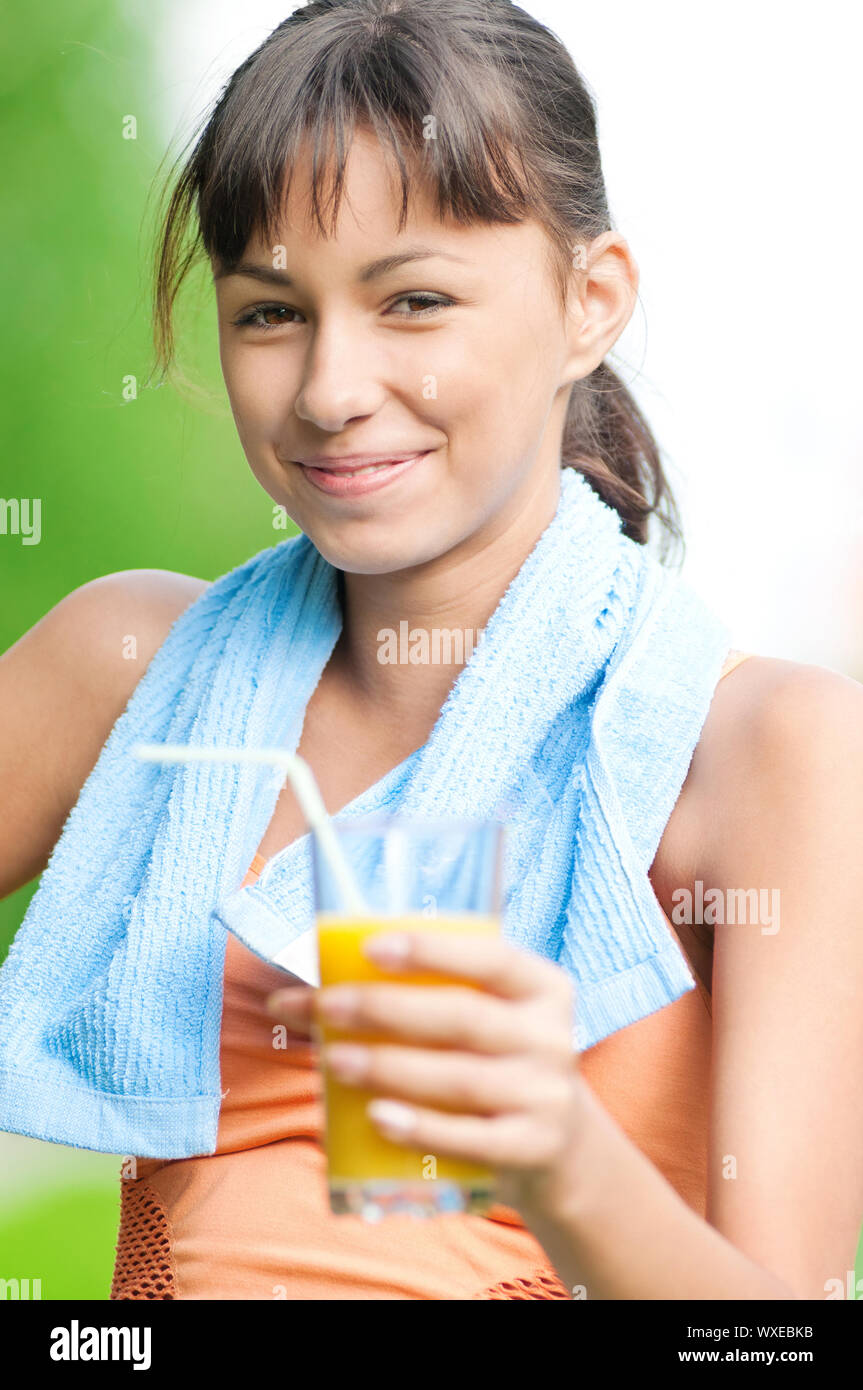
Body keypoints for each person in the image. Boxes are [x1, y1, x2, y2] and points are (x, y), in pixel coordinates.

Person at [2, 0, 861, 1301]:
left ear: (592, 302)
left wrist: (560, 1148)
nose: (332, 388)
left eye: (414, 300)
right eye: (271, 311)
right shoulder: (130, 665)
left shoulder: (766, 751)